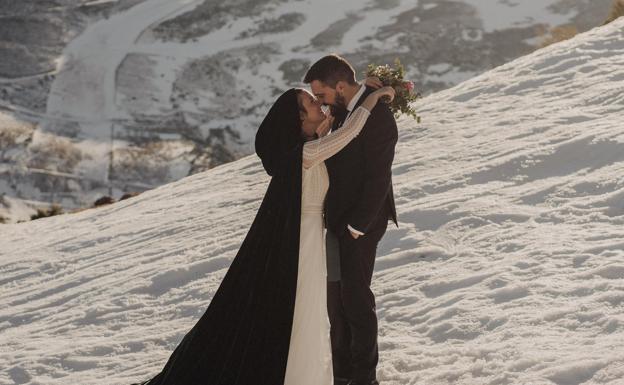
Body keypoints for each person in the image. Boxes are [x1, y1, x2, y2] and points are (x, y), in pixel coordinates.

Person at [130, 83, 395, 385]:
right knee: (301, 308)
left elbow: (336, 135)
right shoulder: (305, 154)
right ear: (298, 118)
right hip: (302, 243)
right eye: (311, 103)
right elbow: (350, 134)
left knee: (306, 309)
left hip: (308, 240)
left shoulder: (308, 150)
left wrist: (329, 122)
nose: (319, 106)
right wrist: (373, 98)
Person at [303, 54, 399, 385]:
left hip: (361, 223)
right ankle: (341, 374)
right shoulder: (346, 110)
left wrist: (358, 226)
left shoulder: (378, 118)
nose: (320, 102)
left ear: (340, 86)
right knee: (336, 304)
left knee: (356, 302)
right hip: (336, 222)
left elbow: (378, 177)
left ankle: (364, 377)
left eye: (323, 95)